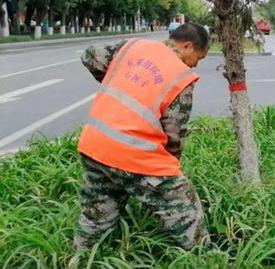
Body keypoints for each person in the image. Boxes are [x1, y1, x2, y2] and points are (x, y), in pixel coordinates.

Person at [74, 23, 210, 250]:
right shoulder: (181, 74)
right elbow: (174, 136)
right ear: (187, 46)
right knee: (184, 204)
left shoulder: (134, 46)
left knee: (96, 216)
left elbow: (90, 56)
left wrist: (119, 81)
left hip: (94, 144)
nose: (196, 64)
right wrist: (168, 173)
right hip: (131, 152)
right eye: (199, 57)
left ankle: (82, 258)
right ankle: (207, 259)